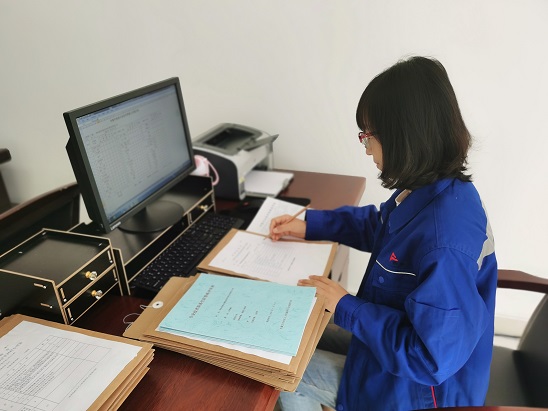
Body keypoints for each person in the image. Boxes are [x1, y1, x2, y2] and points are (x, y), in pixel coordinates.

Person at [271, 56, 497, 411]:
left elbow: (429, 359)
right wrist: (310, 225)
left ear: (405, 138)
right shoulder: (434, 189)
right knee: (297, 329)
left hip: (416, 392)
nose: (366, 149)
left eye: (369, 136)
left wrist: (346, 305)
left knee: (280, 374)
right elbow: (380, 226)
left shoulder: (444, 243)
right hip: (395, 355)